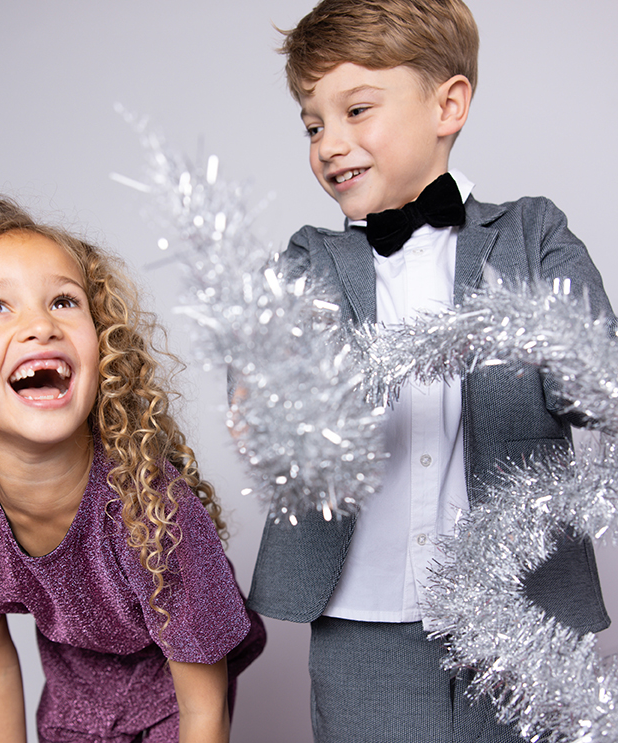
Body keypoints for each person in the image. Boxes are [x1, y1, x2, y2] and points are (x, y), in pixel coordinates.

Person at [246, 1, 615, 741]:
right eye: (313, 125)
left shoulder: (533, 233)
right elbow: (274, 376)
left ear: (448, 106)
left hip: (520, 608)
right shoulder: (310, 258)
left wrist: (546, 345)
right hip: (362, 617)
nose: (329, 144)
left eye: (356, 110)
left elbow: (595, 380)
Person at [0, 195, 265, 743]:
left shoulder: (154, 510)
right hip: (76, 694)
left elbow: (204, 708)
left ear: (104, 349)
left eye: (63, 301)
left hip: (174, 696)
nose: (40, 326)